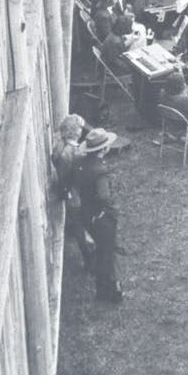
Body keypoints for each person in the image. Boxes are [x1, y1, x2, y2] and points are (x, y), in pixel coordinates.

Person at [74, 127, 123, 302]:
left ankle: (106, 287)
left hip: (86, 212)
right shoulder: (100, 171)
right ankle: (107, 292)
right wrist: (109, 210)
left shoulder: (80, 163)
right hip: (100, 216)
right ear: (103, 149)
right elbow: (104, 196)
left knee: (103, 251)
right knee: (106, 253)